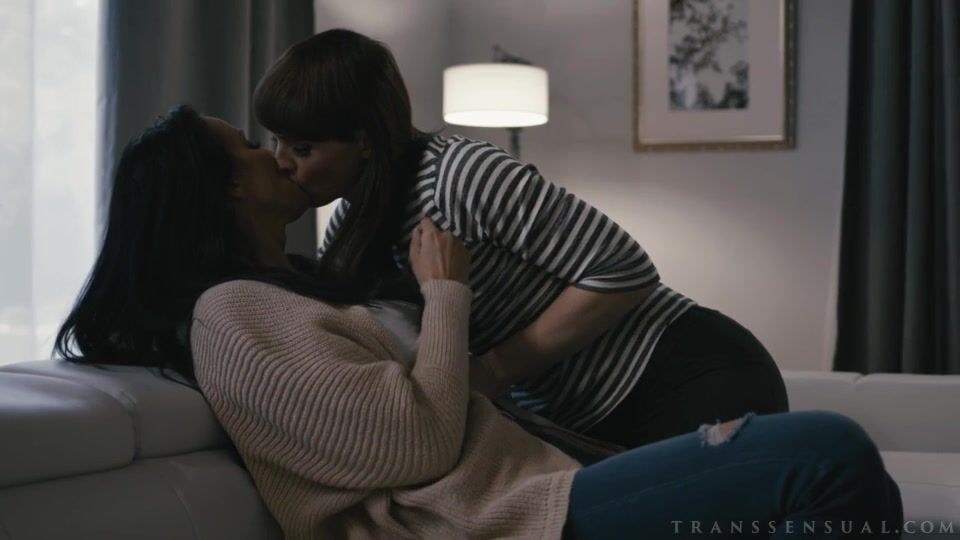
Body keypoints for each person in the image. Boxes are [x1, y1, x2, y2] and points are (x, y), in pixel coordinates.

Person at [54, 106, 901, 539]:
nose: (276, 152)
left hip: (535, 485)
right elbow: (415, 447)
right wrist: (445, 295)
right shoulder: (230, 314)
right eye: (249, 143)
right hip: (490, 521)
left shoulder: (307, 281)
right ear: (223, 189)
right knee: (825, 452)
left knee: (844, 475)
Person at [251, 28, 789, 448]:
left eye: (302, 149)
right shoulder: (348, 229)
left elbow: (624, 269)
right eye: (276, 141)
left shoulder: (458, 174)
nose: (280, 162)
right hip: (590, 419)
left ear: (363, 141)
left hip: (686, 373)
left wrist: (494, 371)